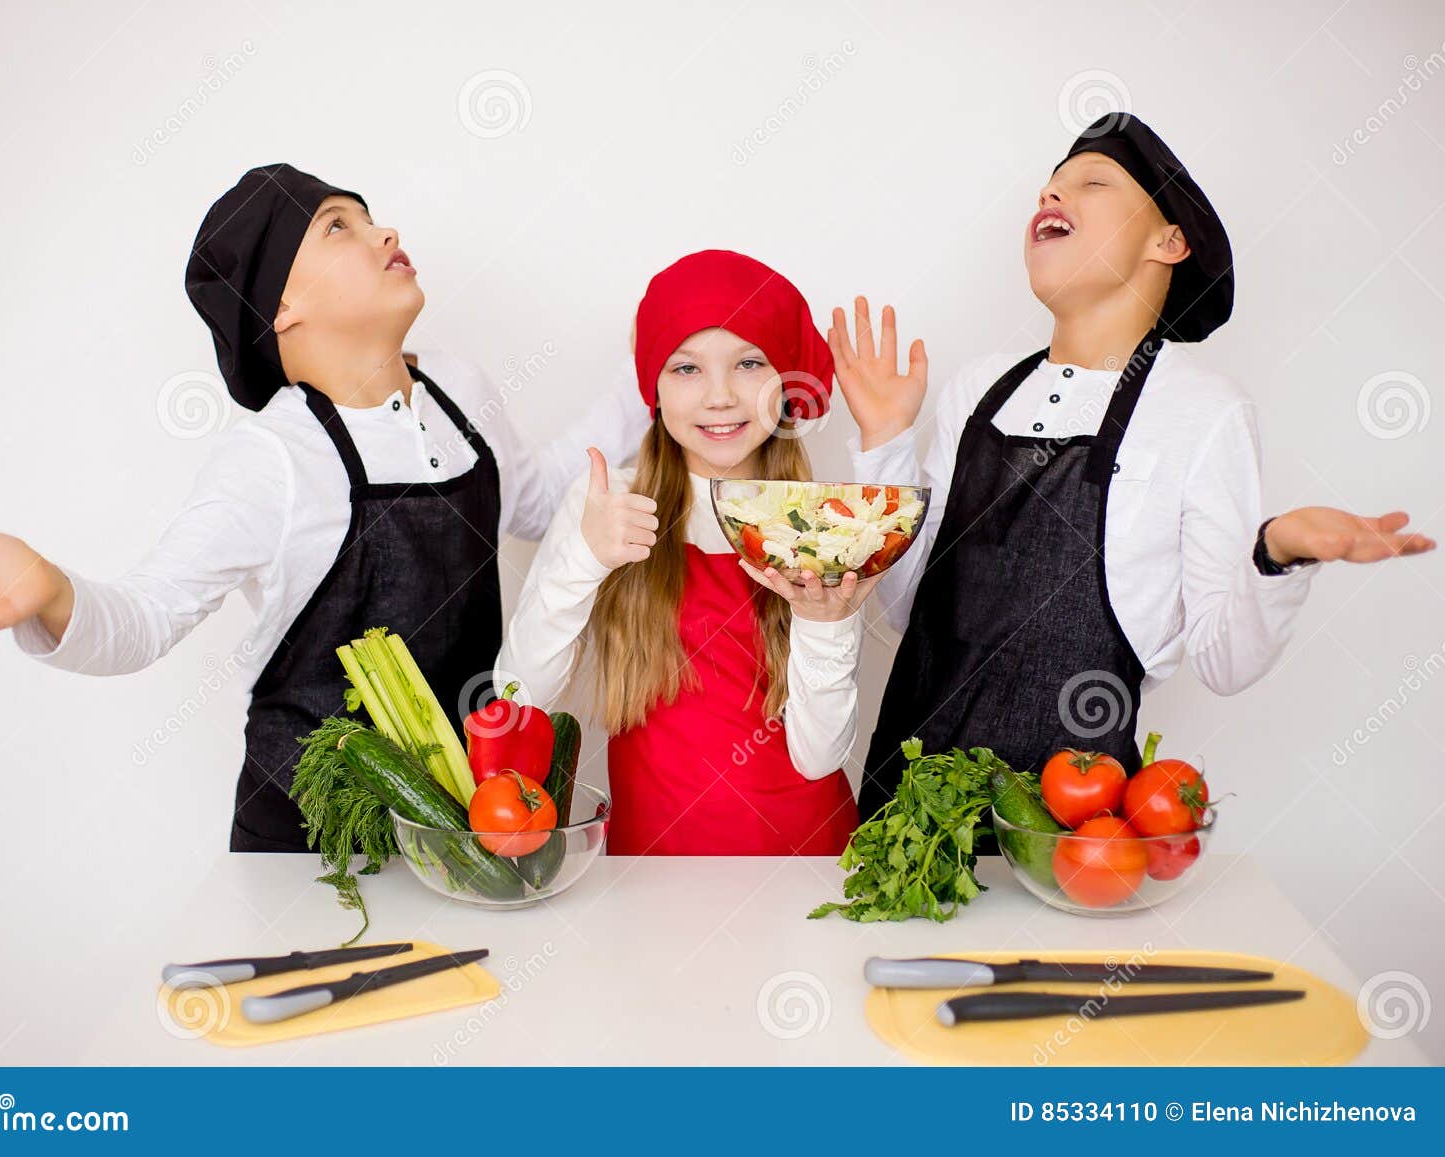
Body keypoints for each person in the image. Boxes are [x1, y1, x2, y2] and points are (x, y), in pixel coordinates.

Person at [0, 163, 647, 851]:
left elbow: (544, 499)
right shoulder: (275, 460)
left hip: (460, 832)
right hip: (307, 852)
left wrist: (654, 370)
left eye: (370, 218)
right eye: (337, 226)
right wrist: (53, 592)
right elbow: (147, 616)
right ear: (280, 306)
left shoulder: (461, 389)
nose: (385, 233)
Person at [833, 113, 1436, 838]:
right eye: (1048, 189)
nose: (1052, 199)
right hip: (905, 825)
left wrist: (1278, 553)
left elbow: (1225, 661)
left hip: (1072, 845)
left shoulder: (1202, 409)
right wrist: (884, 441)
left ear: (1169, 241)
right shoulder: (976, 389)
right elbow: (904, 611)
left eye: (1091, 182)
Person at [497, 249, 877, 855]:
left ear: (786, 384)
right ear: (652, 387)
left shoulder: (824, 521)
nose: (720, 396)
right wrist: (585, 561)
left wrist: (824, 623)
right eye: (686, 369)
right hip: (649, 872)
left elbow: (819, 758)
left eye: (749, 363)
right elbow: (519, 698)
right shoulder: (606, 503)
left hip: (808, 868)